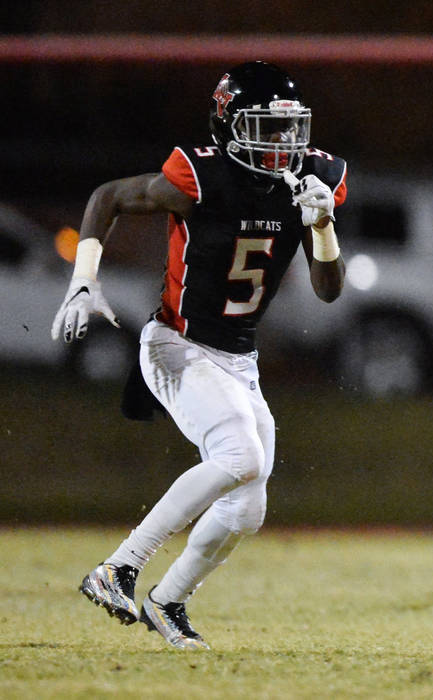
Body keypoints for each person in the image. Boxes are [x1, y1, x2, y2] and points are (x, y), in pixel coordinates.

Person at [53, 61, 348, 650]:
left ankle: (168, 603)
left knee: (248, 505)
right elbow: (107, 196)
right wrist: (84, 280)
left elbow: (328, 289)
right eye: (266, 128)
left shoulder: (316, 177)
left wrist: (322, 226)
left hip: (240, 357)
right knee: (239, 455)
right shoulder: (200, 176)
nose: (283, 144)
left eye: (290, 129)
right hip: (177, 343)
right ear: (229, 123)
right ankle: (118, 568)